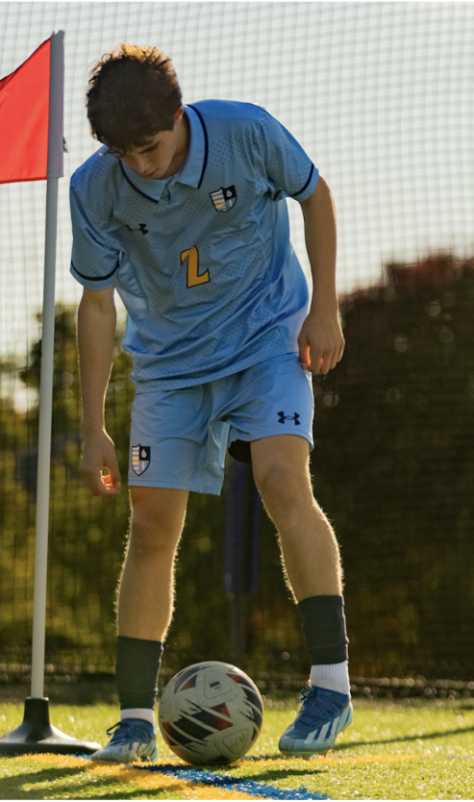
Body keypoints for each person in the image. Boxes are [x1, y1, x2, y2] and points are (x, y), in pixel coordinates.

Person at [69, 44, 352, 763]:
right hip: (169, 367)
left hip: (266, 341)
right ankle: (134, 719)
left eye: (151, 147)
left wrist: (326, 307)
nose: (141, 165)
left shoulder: (247, 132)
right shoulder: (95, 188)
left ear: (178, 114)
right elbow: (97, 307)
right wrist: (94, 423)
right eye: (123, 153)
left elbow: (314, 194)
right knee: (150, 521)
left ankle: (330, 686)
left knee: (283, 481)